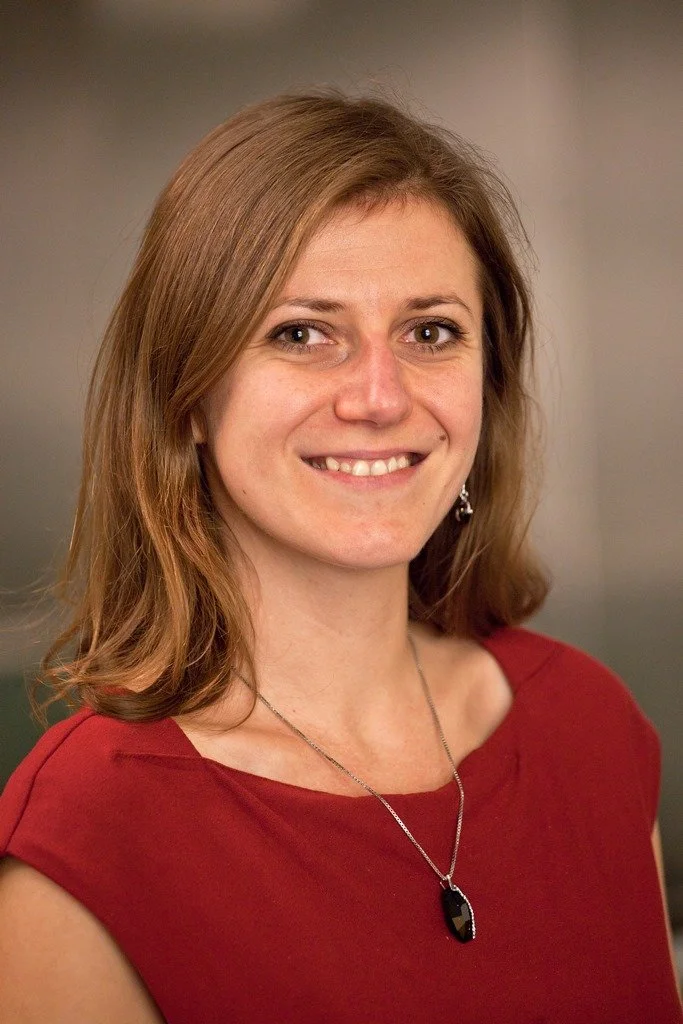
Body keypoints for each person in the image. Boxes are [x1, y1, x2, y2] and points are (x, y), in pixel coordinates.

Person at [0, 92, 680, 1024]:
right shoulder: (87, 833)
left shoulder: (587, 723)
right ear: (186, 399)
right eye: (300, 333)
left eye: (429, 332)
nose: (377, 395)